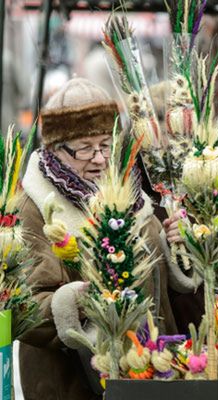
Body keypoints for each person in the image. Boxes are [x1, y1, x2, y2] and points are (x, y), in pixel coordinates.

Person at [17, 78, 178, 400]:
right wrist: (78, 300)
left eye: (106, 145)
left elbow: (157, 284)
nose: (100, 158)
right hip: (72, 383)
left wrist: (174, 247)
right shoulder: (32, 208)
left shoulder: (129, 197)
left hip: (147, 370)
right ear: (54, 149)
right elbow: (21, 309)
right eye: (85, 148)